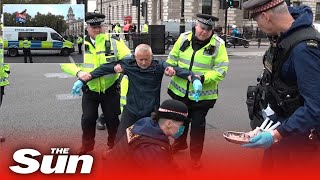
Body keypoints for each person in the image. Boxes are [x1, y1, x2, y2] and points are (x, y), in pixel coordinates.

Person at [241, 0, 320, 174]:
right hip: (282, 129)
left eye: (257, 21)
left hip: (298, 142)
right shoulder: (284, 36)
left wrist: (277, 134)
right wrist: (268, 126)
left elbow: (315, 107)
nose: (259, 26)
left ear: (266, 16)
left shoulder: (304, 48)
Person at [73, 44, 199, 147]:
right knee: (121, 137)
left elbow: (178, 70)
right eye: (140, 59)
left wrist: (194, 78)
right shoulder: (128, 64)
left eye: (147, 59)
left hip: (151, 110)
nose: (144, 62)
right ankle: (115, 155)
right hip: (132, 109)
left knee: (154, 139)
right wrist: (85, 79)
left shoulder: (160, 66)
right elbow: (104, 68)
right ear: (135, 57)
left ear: (152, 56)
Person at [61, 12, 131, 154]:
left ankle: (114, 147)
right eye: (94, 27)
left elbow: (128, 59)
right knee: (87, 120)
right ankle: (87, 147)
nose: (97, 30)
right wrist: (78, 73)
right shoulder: (80, 44)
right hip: (89, 89)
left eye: (99, 26)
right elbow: (65, 64)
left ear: (103, 26)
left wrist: (120, 65)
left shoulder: (114, 43)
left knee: (112, 121)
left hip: (110, 89)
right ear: (87, 27)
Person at [166, 13, 229, 168]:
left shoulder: (218, 45)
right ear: (196, 26)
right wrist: (169, 68)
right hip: (179, 91)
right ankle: (179, 144)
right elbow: (171, 59)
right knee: (179, 122)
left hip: (202, 96)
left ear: (212, 30)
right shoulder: (183, 38)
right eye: (202, 28)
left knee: (197, 127)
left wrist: (201, 78)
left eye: (208, 29)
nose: (204, 32)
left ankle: (195, 157)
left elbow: (221, 71)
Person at [102, 99, 189, 175]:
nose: (182, 128)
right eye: (181, 125)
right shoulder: (152, 149)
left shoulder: (146, 123)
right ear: (169, 123)